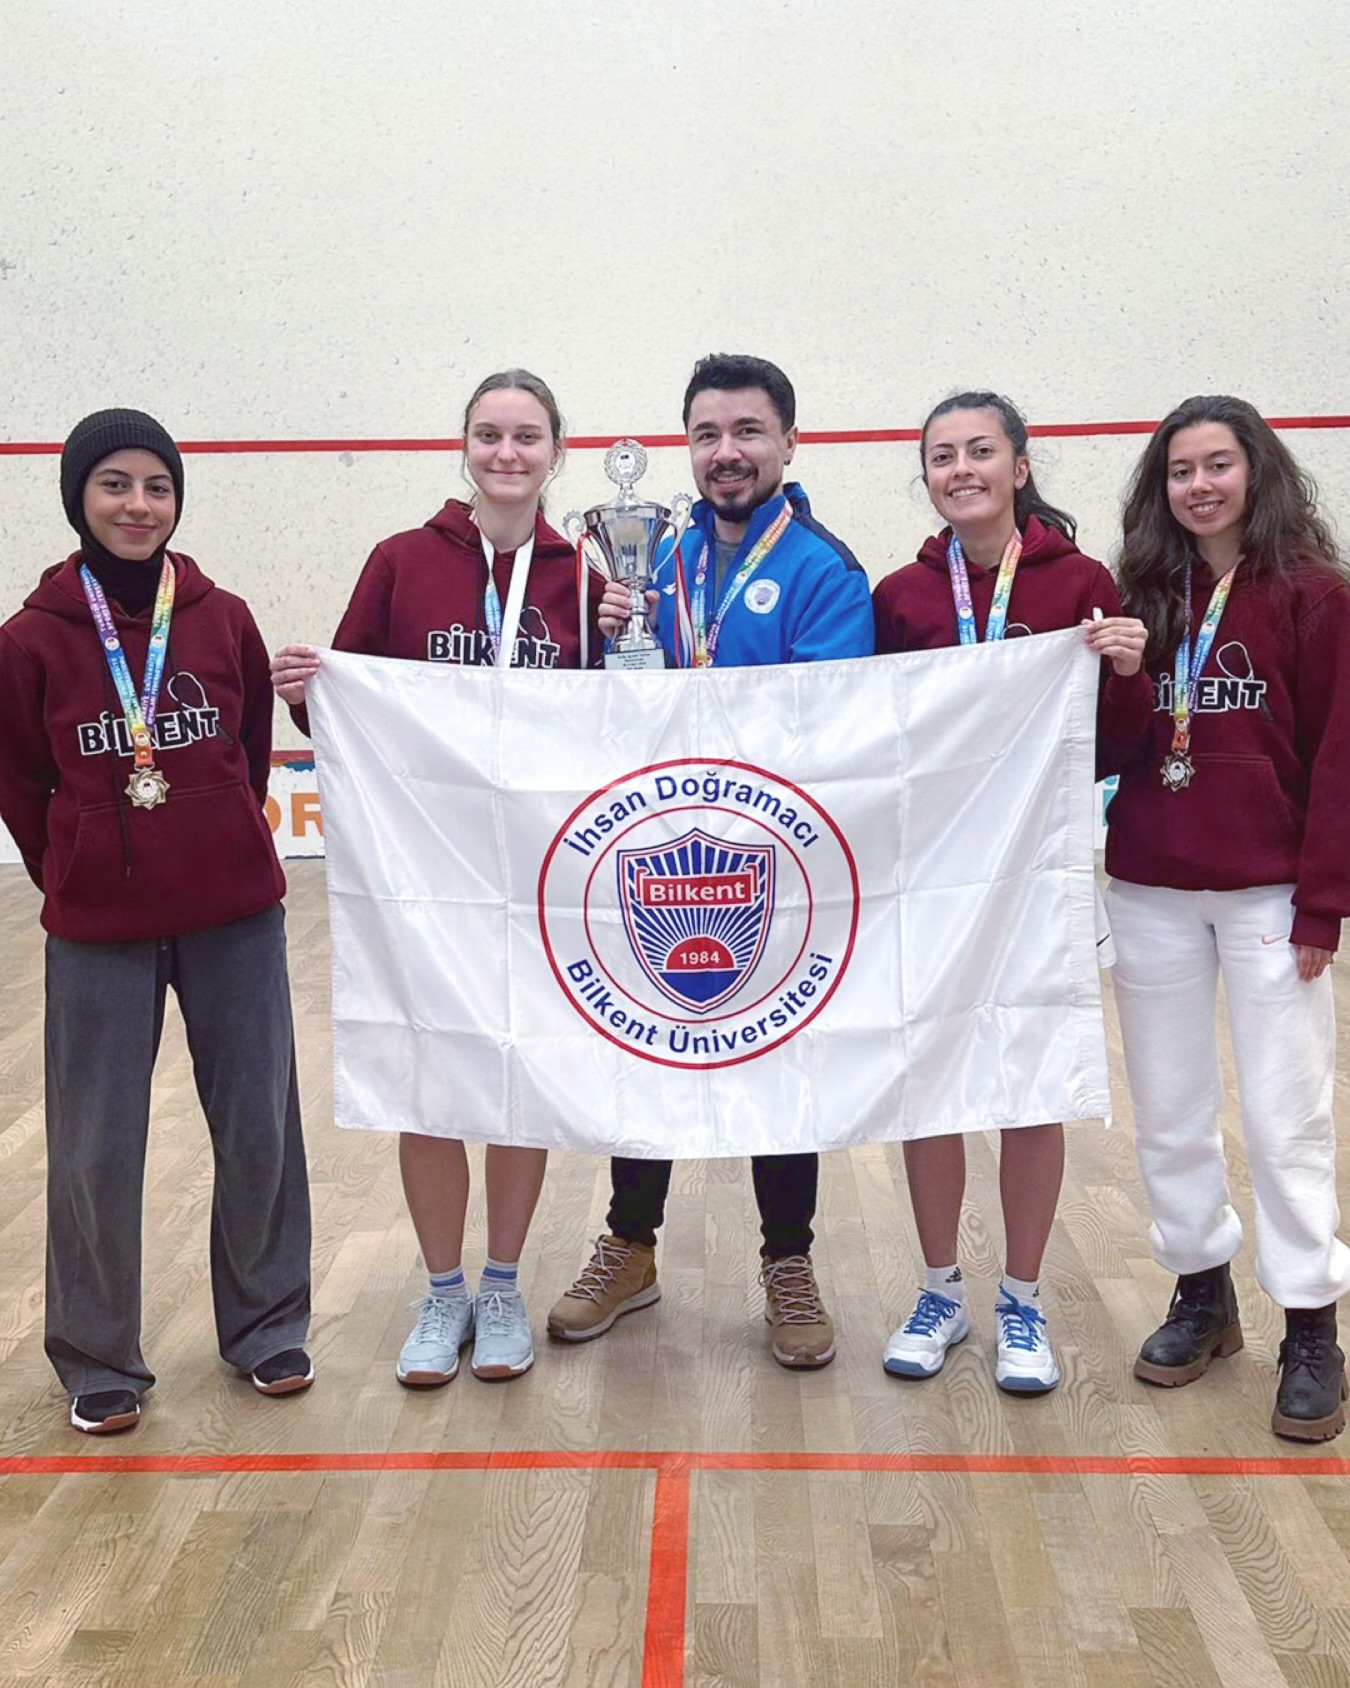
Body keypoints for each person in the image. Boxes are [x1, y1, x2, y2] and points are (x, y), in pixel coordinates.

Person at [272, 369, 601, 1389]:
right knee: (430, 1079)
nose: (508, 452)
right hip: (421, 875)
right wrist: (303, 687)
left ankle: (502, 1283)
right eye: (490, 434)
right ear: (465, 445)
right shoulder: (400, 561)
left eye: (528, 436)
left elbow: (616, 724)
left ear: (556, 450)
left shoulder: (587, 576)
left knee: (515, 1087)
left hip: (541, 877)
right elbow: (341, 710)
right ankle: (445, 1286)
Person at [547, 352, 875, 1369]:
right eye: (706, 435)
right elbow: (614, 713)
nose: (724, 453)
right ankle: (630, 1245)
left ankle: (788, 1261)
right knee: (646, 1040)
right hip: (656, 853)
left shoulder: (826, 567)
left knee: (779, 1056)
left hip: (772, 871)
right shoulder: (659, 557)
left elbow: (824, 725)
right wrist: (611, 642)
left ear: (787, 442)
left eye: (745, 432)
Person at [0, 408, 313, 1435]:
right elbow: (20, 781)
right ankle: (98, 1356)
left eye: (158, 487)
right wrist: (84, 865)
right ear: (79, 497)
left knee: (260, 1124)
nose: (139, 505)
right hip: (98, 929)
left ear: (178, 499)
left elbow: (250, 746)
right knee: (94, 1144)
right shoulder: (31, 638)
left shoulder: (221, 619)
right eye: (116, 485)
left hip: (234, 913)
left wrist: (216, 834)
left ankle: (267, 1327)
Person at [871, 390, 1149, 1394]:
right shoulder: (901, 595)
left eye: (980, 451)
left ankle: (1021, 1298)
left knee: (1029, 1083)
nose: (961, 469)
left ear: (1020, 465)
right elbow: (876, 747)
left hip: (1038, 869)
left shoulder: (1080, 581)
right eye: (941, 455)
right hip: (931, 878)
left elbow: (1114, 747)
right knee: (932, 1079)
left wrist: (1124, 671)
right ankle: (941, 1288)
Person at [1106, 394, 1350, 1441]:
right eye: (1180, 470)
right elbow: (1117, 746)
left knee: (1287, 1118)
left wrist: (1324, 900)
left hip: (1269, 895)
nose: (1199, 485)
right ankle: (1202, 1293)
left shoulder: (1318, 597)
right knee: (1166, 1110)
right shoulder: (1143, 594)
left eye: (1218, 464)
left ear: (1258, 470)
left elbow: (1341, 758)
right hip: (1150, 886)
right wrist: (1118, 672)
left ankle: (1310, 1323)